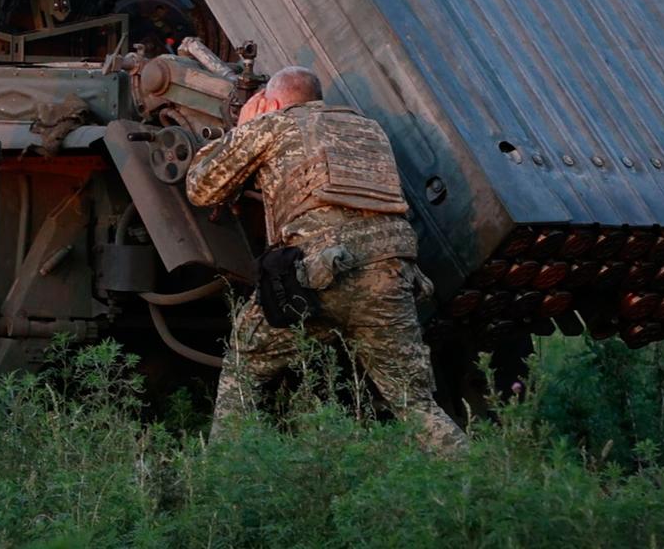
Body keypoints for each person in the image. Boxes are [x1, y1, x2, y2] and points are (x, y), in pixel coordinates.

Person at [186, 66, 467, 454]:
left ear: (271, 102)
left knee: (244, 362)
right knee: (414, 404)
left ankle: (224, 472)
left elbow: (202, 187)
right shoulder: (369, 129)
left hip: (318, 274)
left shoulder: (272, 126)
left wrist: (243, 127)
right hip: (390, 275)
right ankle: (480, 483)